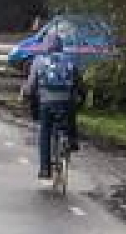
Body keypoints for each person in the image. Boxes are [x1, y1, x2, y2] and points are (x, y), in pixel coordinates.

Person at [20, 32, 82, 181]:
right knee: (70, 115)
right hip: (66, 103)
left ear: (45, 46)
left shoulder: (38, 61)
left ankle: (45, 169)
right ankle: (71, 140)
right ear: (61, 46)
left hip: (46, 103)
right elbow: (78, 83)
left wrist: (25, 94)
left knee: (45, 133)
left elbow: (31, 86)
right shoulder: (70, 61)